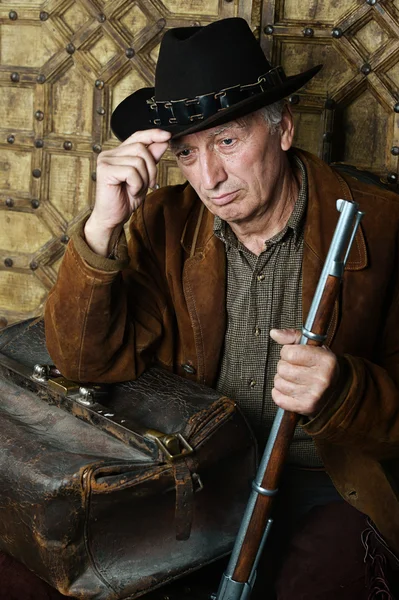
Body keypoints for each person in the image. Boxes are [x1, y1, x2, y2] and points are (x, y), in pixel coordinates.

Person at [44, 17, 399, 599]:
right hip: (201, 474)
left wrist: (342, 389)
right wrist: (102, 226)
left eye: (227, 142)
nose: (209, 178)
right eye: (186, 153)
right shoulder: (163, 221)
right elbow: (85, 361)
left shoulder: (380, 225)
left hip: (329, 482)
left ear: (282, 128)